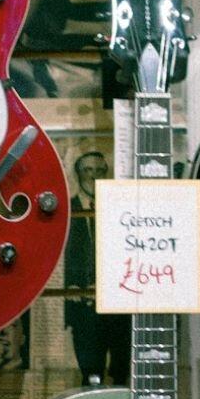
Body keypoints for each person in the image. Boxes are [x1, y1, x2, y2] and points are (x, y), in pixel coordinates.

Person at [62, 149, 130, 385]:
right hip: (84, 309)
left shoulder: (121, 209)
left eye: (100, 171)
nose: (93, 176)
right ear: (77, 174)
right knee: (91, 375)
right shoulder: (66, 210)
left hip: (119, 310)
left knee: (122, 373)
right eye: (87, 170)